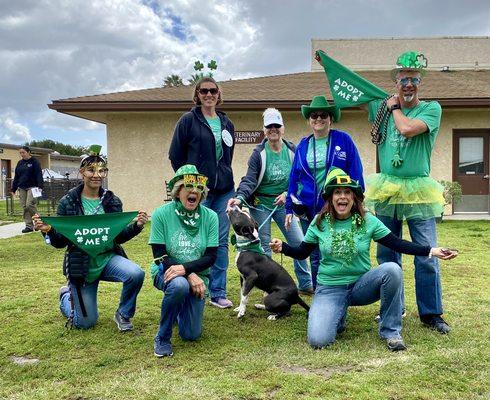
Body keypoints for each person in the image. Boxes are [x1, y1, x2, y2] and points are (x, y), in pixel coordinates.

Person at [270, 168, 457, 351]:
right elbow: (303, 252)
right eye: (337, 192)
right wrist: (283, 247)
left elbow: (397, 243)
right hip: (330, 289)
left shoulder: (367, 220)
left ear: (354, 198)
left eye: (347, 192)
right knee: (319, 340)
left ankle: (390, 331)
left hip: (361, 286)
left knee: (392, 269)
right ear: (330, 198)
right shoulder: (320, 221)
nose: (342, 196)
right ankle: (338, 313)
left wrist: (431, 250)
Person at [364, 51, 450, 333]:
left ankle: (431, 313)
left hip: (418, 191)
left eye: (413, 79)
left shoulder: (431, 109)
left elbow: (408, 129)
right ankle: (393, 306)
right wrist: (327, 65)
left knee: (426, 253)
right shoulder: (380, 106)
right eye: (403, 80)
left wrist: (394, 108)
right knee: (387, 253)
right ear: (396, 82)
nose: (408, 85)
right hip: (387, 188)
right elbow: (352, 89)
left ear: (419, 83)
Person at [33, 147, 147, 330]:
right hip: (82, 265)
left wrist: (137, 226)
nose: (97, 175)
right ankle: (65, 296)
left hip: (108, 258)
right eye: (91, 170)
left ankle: (124, 314)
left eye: (102, 170)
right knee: (85, 323)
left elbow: (117, 237)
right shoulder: (68, 202)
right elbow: (60, 241)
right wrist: (48, 230)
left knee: (136, 273)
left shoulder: (112, 201)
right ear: (82, 172)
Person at [227, 108, 313, 294]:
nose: (273, 129)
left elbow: (302, 178)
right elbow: (250, 179)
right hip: (261, 205)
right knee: (263, 247)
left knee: (298, 242)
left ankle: (306, 284)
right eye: (269, 126)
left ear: (283, 128)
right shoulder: (258, 154)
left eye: (276, 125)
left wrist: (287, 194)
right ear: (264, 130)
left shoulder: (293, 150)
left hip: (285, 204)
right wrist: (240, 198)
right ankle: (268, 289)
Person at [169, 76, 235, 309]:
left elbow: (227, 157)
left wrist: (224, 174)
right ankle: (194, 284)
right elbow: (175, 155)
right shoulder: (188, 120)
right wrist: (188, 183)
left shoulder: (227, 124)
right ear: (197, 95)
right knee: (194, 239)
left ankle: (218, 292)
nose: (209, 95)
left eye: (213, 91)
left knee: (220, 241)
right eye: (204, 91)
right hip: (199, 191)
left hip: (225, 190)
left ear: (219, 94)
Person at [285, 96, 364, 289]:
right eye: (314, 115)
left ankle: (344, 292)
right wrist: (289, 207)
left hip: (336, 207)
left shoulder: (343, 139)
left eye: (323, 115)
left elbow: (356, 171)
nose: (318, 118)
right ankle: (320, 294)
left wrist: (359, 200)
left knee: (338, 251)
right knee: (314, 254)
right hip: (308, 210)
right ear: (309, 119)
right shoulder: (303, 144)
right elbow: (293, 178)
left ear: (331, 118)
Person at [149, 165, 218, 357]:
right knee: (179, 286)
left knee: (191, 334)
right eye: (188, 187)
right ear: (178, 190)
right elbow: (159, 255)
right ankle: (162, 337)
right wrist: (187, 274)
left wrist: (187, 270)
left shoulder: (210, 217)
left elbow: (211, 257)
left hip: (198, 277)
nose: (194, 191)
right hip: (166, 271)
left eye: (198, 188)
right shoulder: (161, 214)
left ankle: (178, 310)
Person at [11, 145, 43, 233]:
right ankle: (29, 226)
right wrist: (13, 189)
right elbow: (17, 177)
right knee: (25, 207)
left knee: (29, 205)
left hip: (33, 187)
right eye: (20, 153)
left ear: (28, 152)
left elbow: (38, 174)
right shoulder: (20, 163)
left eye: (23, 152)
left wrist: (40, 186)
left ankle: (39, 222)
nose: (22, 154)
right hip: (22, 187)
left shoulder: (34, 162)